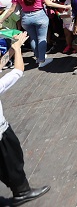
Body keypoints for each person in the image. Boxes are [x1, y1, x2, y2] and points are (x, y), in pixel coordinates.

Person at [0, 32, 51, 205]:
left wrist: (15, 49)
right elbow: (18, 71)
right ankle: (22, 192)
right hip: (1, 134)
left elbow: (0, 64)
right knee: (13, 161)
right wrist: (19, 51)